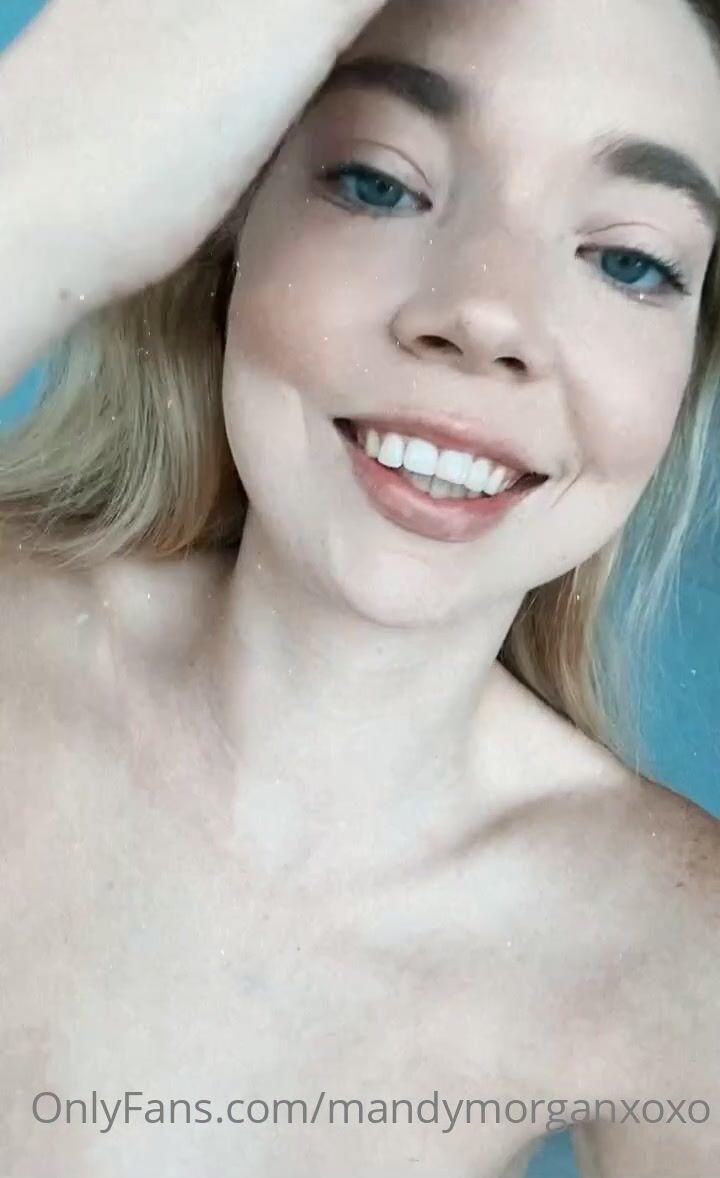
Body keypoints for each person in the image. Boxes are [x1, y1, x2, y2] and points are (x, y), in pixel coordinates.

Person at [0, 0, 718, 1174]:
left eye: (630, 261)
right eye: (382, 183)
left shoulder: (679, 946)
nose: (487, 317)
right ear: (219, 220)